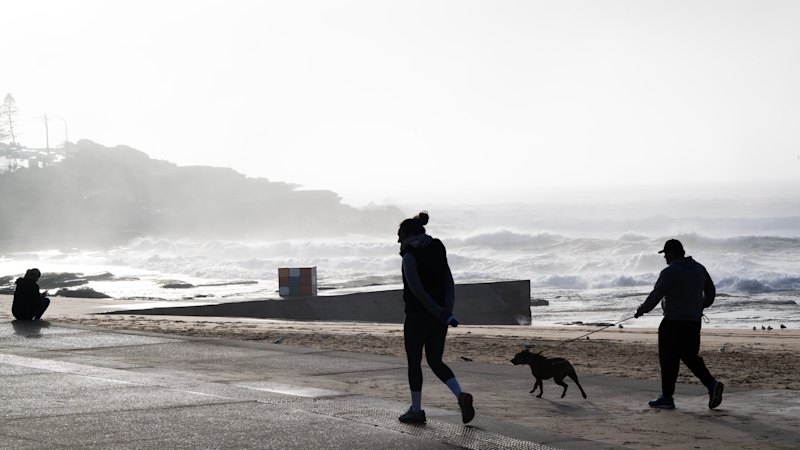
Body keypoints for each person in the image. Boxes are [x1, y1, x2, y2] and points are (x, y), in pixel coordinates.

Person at [396, 211, 475, 424]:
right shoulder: (438, 248)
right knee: (435, 360)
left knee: (414, 362)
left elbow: (417, 291)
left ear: (408, 235)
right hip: (440, 317)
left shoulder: (410, 256)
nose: (397, 242)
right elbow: (449, 280)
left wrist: (438, 311)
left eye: (399, 236)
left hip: (417, 316)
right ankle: (460, 396)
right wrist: (446, 310)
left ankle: (416, 410)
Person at [634, 239, 723, 410]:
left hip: (673, 323)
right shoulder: (699, 268)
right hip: (694, 322)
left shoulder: (670, 272)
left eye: (666, 254)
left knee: (668, 360)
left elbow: (656, 294)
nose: (665, 258)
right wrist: (700, 305)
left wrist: (642, 310)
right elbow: (711, 292)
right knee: (689, 356)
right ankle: (711, 384)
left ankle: (667, 397)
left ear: (673, 253)